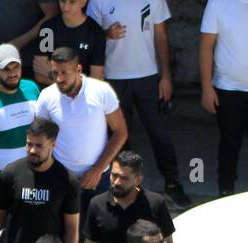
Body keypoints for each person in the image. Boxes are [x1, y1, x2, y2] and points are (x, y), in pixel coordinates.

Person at [85, 0, 187, 207]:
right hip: (113, 79)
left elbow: (161, 36)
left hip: (147, 78)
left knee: (159, 133)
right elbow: (88, 35)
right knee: (120, 138)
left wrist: (166, 76)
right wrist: (106, 34)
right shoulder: (98, 1)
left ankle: (172, 184)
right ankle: (125, 188)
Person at [35, 45, 127, 196]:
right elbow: (39, 138)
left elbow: (120, 132)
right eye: (55, 73)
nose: (59, 79)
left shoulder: (101, 91)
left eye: (64, 72)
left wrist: (96, 171)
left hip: (99, 180)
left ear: (78, 70)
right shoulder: (46, 96)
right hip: (59, 180)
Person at [0, 118, 80, 243]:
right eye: (29, 144)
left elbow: (72, 228)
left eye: (39, 146)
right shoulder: (10, 173)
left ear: (53, 144)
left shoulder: (67, 181)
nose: (32, 150)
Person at [80, 151, 175, 243]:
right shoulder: (97, 204)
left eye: (124, 178)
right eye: (114, 175)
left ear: (137, 180)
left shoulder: (155, 203)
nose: (117, 182)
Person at [199, 0, 248, 198]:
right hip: (228, 88)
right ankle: (226, 190)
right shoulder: (218, 3)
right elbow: (206, 47)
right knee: (230, 142)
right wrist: (206, 87)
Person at [32, 0, 106, 85]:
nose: (66, 7)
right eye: (63, 1)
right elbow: (40, 75)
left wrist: (50, 73)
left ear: (83, 2)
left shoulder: (95, 33)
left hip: (82, 96)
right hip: (53, 95)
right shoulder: (48, 29)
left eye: (72, 2)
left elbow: (95, 80)